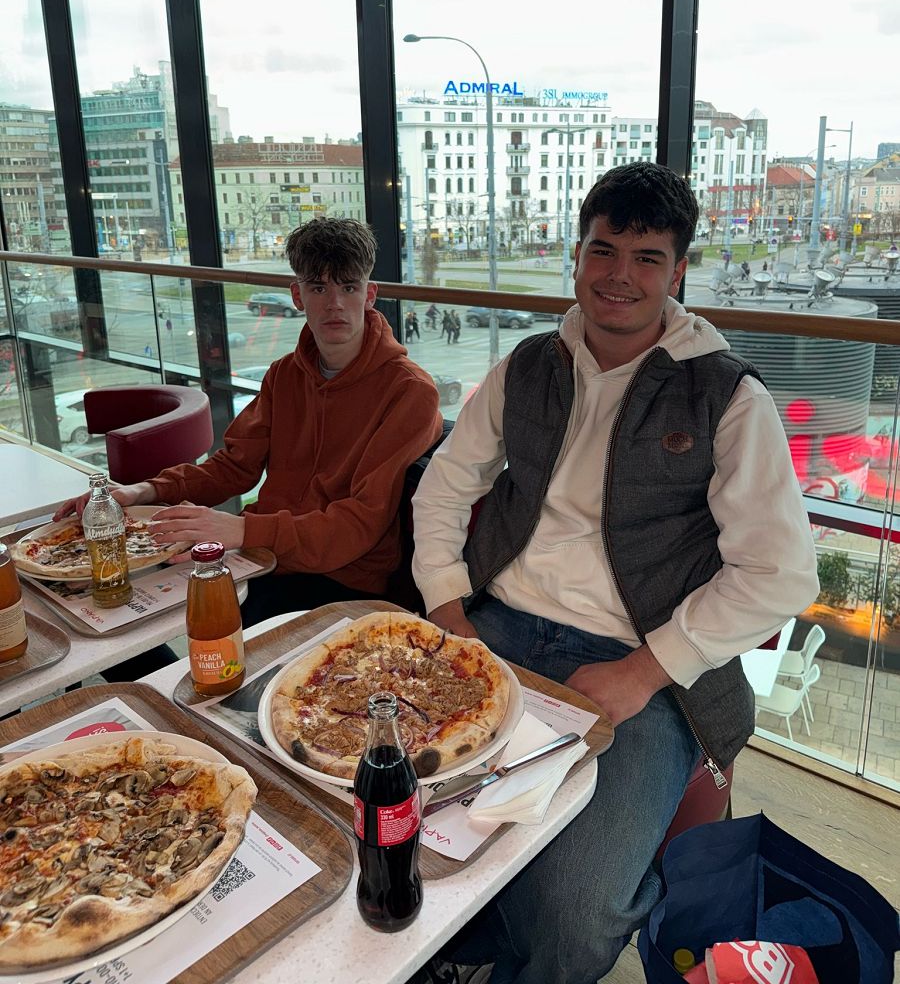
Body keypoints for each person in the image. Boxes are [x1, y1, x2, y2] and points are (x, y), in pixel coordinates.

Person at [411, 162, 818, 984]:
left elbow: (779, 573)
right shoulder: (529, 367)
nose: (619, 275)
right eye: (603, 250)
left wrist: (643, 672)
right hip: (497, 628)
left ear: (678, 272)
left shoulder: (727, 397)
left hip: (641, 661)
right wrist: (449, 610)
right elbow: (445, 486)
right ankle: (470, 951)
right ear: (577, 256)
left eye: (646, 257)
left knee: (582, 908)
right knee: (391, 811)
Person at [56, 218, 444, 626]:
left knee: (188, 628)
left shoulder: (409, 391)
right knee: (107, 598)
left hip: (344, 578)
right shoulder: (285, 374)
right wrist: (144, 491)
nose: (334, 304)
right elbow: (234, 467)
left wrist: (241, 530)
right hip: (261, 557)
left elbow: (360, 524)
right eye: (318, 288)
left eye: (348, 287)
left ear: (370, 295)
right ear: (297, 296)